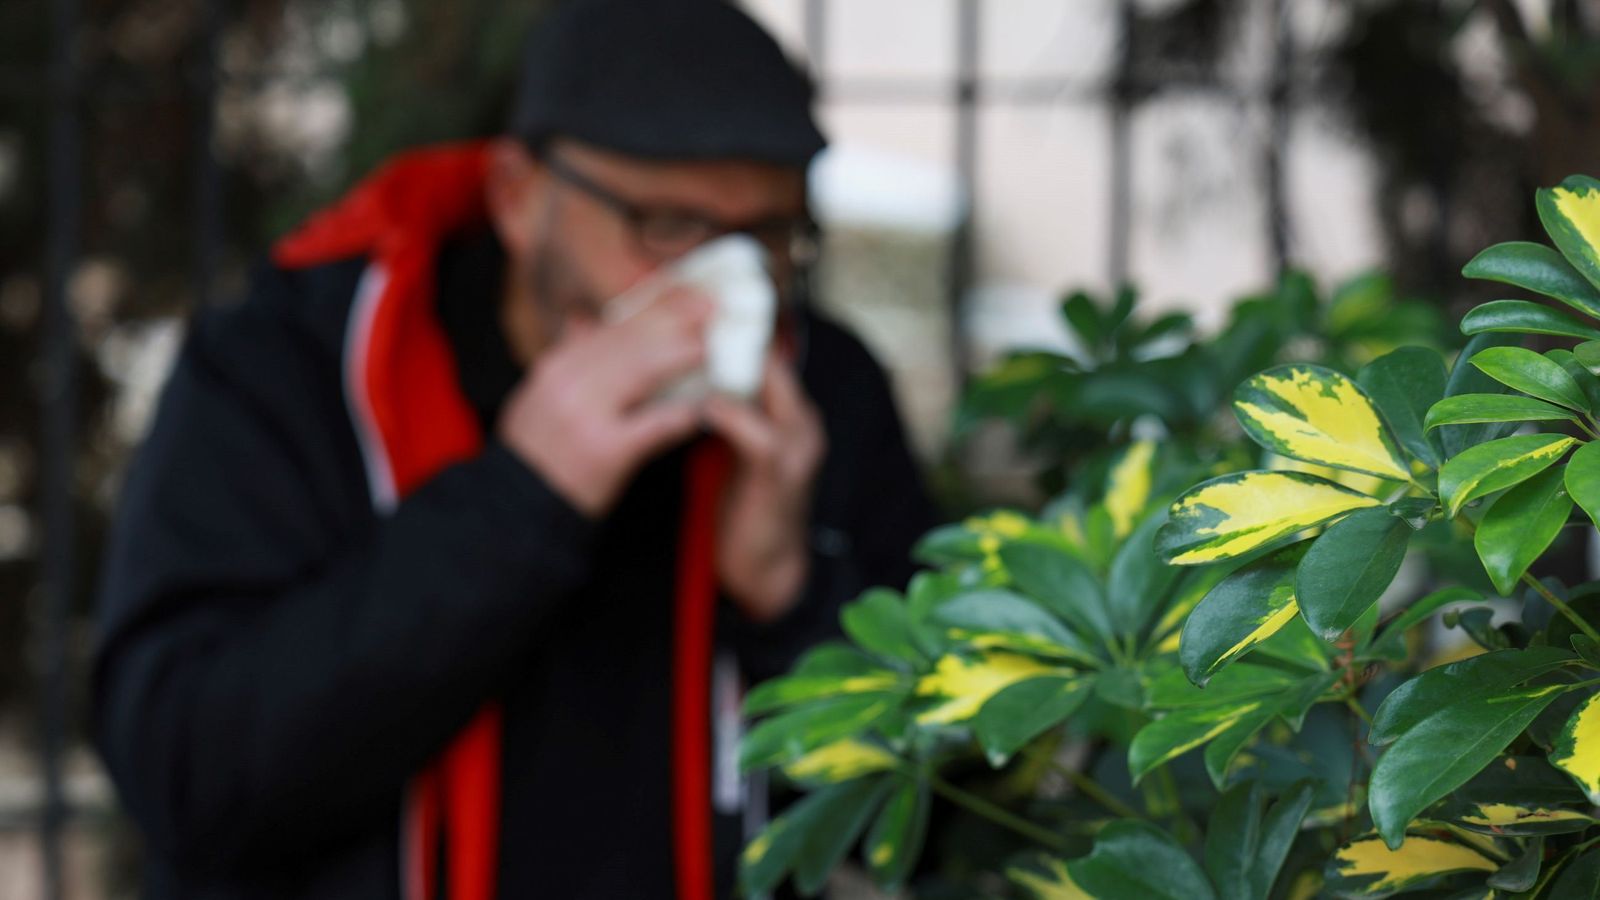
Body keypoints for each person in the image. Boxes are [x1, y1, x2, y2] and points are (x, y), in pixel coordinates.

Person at [91, 1, 935, 898]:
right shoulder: (293, 366)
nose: (725, 286)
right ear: (519, 196)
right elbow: (184, 775)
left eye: (765, 236)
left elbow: (941, 819)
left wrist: (789, 598)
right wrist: (526, 495)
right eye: (668, 225)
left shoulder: (823, 393)